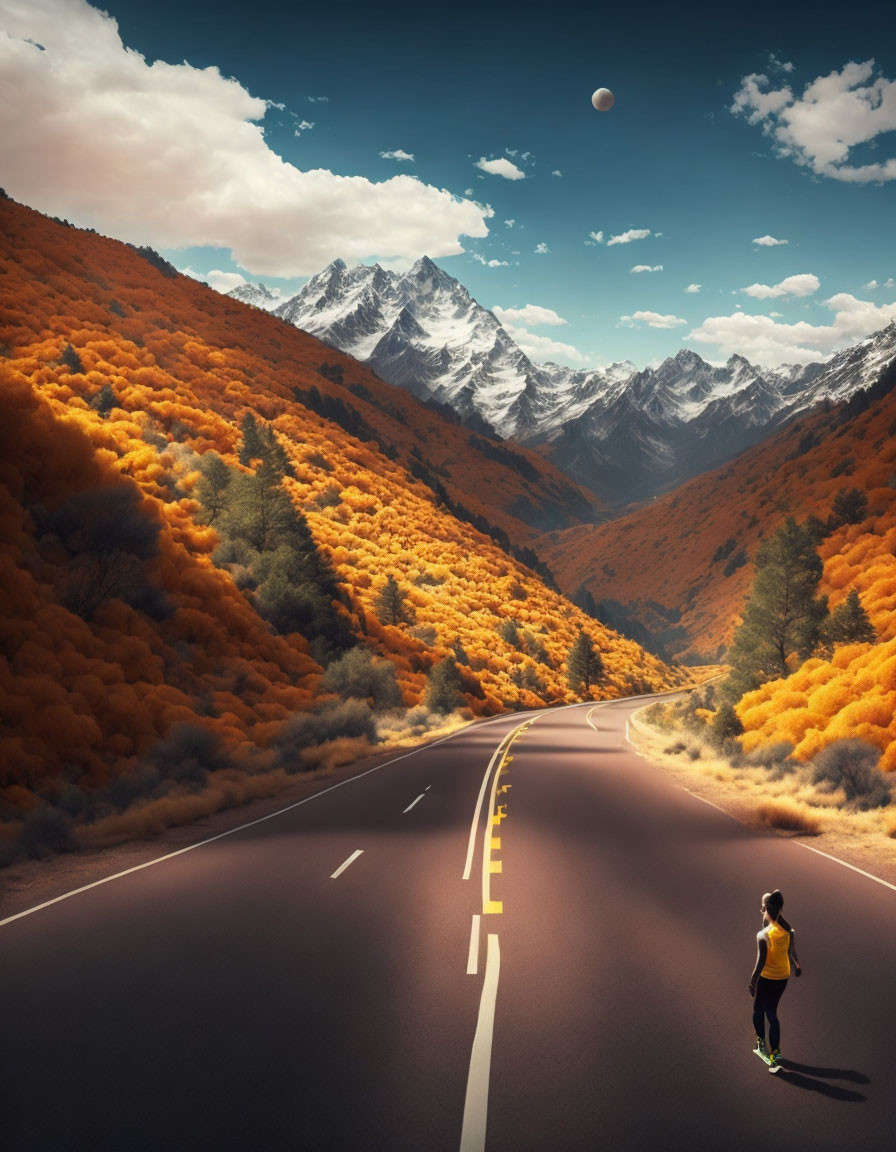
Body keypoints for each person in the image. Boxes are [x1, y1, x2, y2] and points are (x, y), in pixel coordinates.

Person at [749, 889, 801, 1070]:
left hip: (767, 977)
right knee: (772, 1011)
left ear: (765, 910)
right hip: (783, 977)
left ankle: (761, 1045)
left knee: (758, 1010)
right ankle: (776, 1051)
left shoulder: (762, 935)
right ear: (780, 909)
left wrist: (752, 981)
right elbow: (790, 951)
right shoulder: (788, 931)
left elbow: (760, 961)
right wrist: (797, 966)